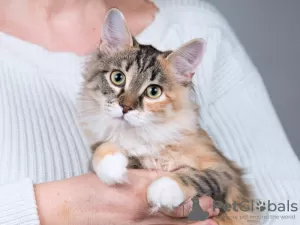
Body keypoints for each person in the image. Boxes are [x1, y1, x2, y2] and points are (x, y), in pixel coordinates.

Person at [0, 0, 299, 225]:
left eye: (152, 91)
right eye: (118, 79)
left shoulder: (193, 22)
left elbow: (289, 206)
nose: (126, 104)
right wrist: (56, 208)